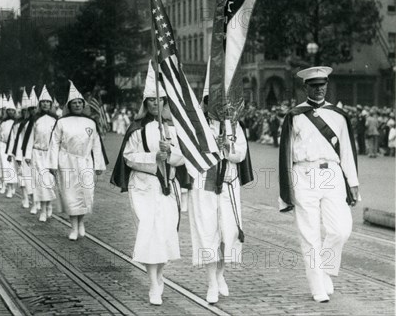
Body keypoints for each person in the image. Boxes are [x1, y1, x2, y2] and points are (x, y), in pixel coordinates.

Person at [111, 62, 190, 306]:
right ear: (146, 104)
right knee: (148, 230)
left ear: (165, 103)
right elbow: (128, 157)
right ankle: (153, 282)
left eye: (160, 101)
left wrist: (171, 155)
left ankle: (160, 272)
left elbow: (182, 158)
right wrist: (152, 158)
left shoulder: (172, 129)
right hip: (144, 186)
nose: (156, 105)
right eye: (152, 101)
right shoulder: (137, 129)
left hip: (167, 187)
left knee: (165, 233)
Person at [279, 66, 359, 303]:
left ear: (327, 85)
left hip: (331, 174)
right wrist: (287, 191)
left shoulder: (339, 116)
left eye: (322, 85)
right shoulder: (295, 116)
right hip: (304, 173)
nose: (319, 89)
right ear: (306, 88)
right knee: (309, 233)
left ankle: (325, 268)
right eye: (314, 86)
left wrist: (353, 184)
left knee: (340, 230)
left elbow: (347, 152)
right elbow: (286, 153)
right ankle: (317, 285)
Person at [186, 95, 252, 304]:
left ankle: (220, 273)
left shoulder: (234, 126)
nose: (218, 108)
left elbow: (240, 154)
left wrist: (226, 147)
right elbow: (189, 152)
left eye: (222, 104)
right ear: (205, 105)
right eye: (212, 103)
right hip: (204, 182)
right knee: (208, 232)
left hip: (228, 183)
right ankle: (211, 283)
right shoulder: (197, 126)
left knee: (229, 231)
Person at [48, 81, 107, 240]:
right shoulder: (61, 122)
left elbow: (96, 145)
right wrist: (52, 164)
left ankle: (81, 222)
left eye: (80, 102)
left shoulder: (91, 123)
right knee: (70, 195)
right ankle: (73, 227)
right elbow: (54, 144)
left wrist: (98, 164)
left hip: (85, 162)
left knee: (86, 193)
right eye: (74, 103)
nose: (77, 105)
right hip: (66, 162)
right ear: (69, 106)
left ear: (84, 104)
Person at [23, 86, 58, 220]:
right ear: (39, 104)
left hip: (50, 155)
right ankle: (43, 210)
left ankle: (48, 205)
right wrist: (27, 155)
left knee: (48, 182)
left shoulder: (56, 119)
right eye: (43, 102)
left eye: (48, 102)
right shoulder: (35, 119)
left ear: (51, 104)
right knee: (40, 183)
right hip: (37, 154)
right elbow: (30, 138)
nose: (45, 104)